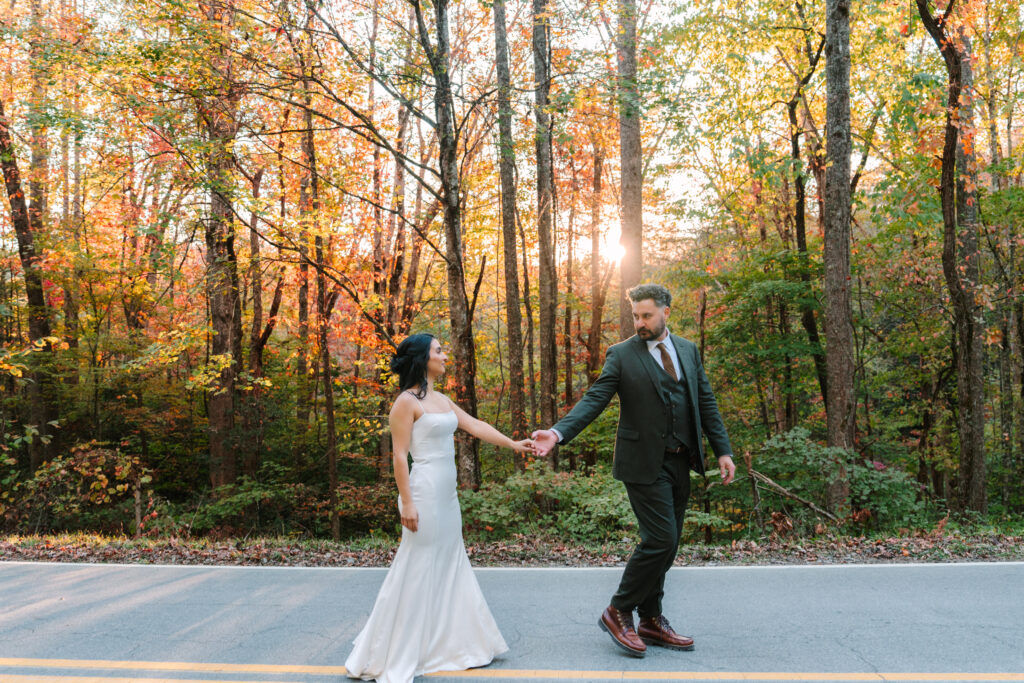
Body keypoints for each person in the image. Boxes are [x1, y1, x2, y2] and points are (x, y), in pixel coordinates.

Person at [531, 284, 736, 658]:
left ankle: (651, 618)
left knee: (669, 544)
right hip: (642, 463)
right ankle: (618, 609)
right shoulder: (622, 355)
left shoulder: (688, 350)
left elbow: (704, 400)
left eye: (646, 316)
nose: (639, 323)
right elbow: (595, 398)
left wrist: (723, 450)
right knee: (660, 539)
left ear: (665, 313)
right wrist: (558, 433)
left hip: (681, 459)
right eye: (635, 316)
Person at [345, 333, 534, 683]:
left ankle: (450, 644)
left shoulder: (442, 399)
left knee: (450, 562)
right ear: (422, 358)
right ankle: (400, 650)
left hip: (447, 497)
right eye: (438, 350)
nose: (445, 355)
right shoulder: (405, 402)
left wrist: (512, 444)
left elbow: (474, 425)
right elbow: (400, 456)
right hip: (424, 493)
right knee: (418, 566)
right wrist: (408, 503)